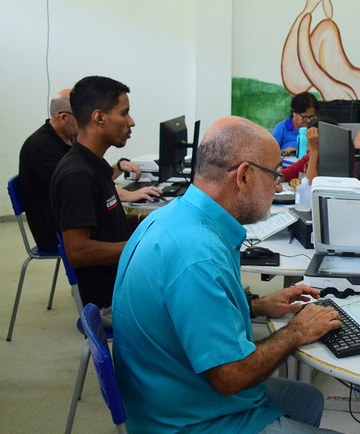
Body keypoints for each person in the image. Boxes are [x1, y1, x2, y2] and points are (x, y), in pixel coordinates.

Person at [112, 116, 342, 433]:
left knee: (307, 400)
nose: (278, 186)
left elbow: (180, 311)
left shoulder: (175, 216)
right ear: (244, 176)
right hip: (192, 421)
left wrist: (257, 306)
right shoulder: (198, 255)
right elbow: (230, 377)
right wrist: (295, 332)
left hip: (169, 393)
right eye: (276, 175)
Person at [50, 77, 155, 327]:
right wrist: (140, 247)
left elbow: (109, 222)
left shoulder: (94, 165)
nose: (131, 122)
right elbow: (78, 252)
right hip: (110, 303)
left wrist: (157, 222)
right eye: (125, 113)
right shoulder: (77, 175)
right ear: (99, 117)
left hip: (124, 282)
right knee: (196, 297)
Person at [18, 89, 158, 251]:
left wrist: (118, 167)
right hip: (55, 231)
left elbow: (94, 178)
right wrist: (129, 195)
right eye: (80, 114)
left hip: (86, 219)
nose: (131, 122)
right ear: (64, 117)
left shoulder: (76, 147)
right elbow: (80, 187)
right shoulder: (43, 149)